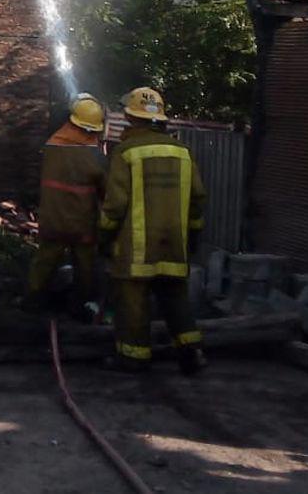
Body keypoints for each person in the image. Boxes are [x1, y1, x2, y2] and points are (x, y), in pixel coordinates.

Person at [98, 86, 207, 374]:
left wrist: (103, 236)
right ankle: (191, 352)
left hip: (136, 249)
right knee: (176, 298)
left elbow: (115, 206)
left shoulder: (126, 152)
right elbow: (197, 199)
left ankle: (134, 357)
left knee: (133, 302)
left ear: (132, 119)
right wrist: (193, 235)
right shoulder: (183, 153)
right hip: (174, 244)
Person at [27, 93, 107, 321]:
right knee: (85, 267)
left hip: (53, 220)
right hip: (83, 224)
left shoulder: (53, 144)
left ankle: (32, 301)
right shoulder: (94, 155)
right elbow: (107, 190)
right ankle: (80, 306)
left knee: (44, 261)